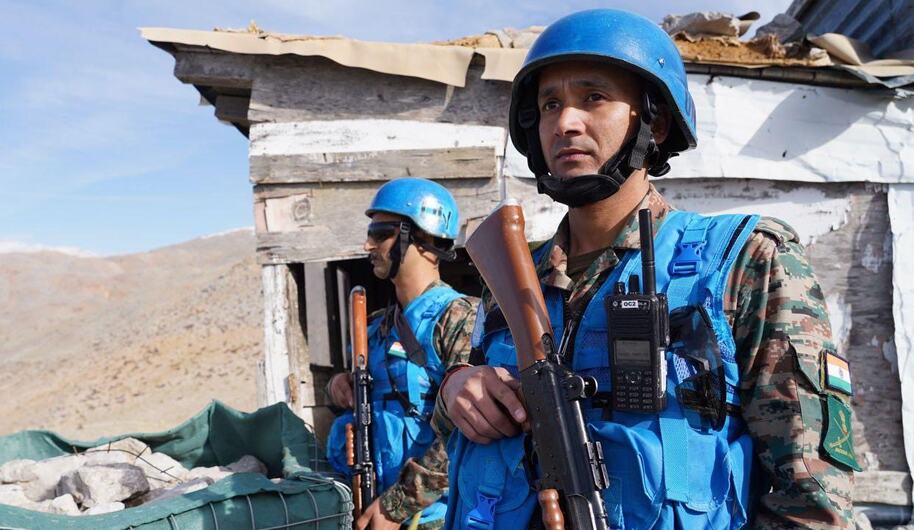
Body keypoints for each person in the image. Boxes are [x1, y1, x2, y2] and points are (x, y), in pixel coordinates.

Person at [439, 9, 858, 530]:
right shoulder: (512, 274)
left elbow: (814, 502)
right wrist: (457, 387)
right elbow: (459, 419)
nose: (566, 122)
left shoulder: (745, 261)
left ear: (654, 120)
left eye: (593, 97)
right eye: (550, 104)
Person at [325, 177, 478, 529]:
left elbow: (465, 432)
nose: (368, 244)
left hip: (438, 519)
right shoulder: (376, 328)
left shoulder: (459, 318)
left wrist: (396, 506)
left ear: (422, 236)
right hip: (372, 509)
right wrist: (336, 388)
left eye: (380, 233)